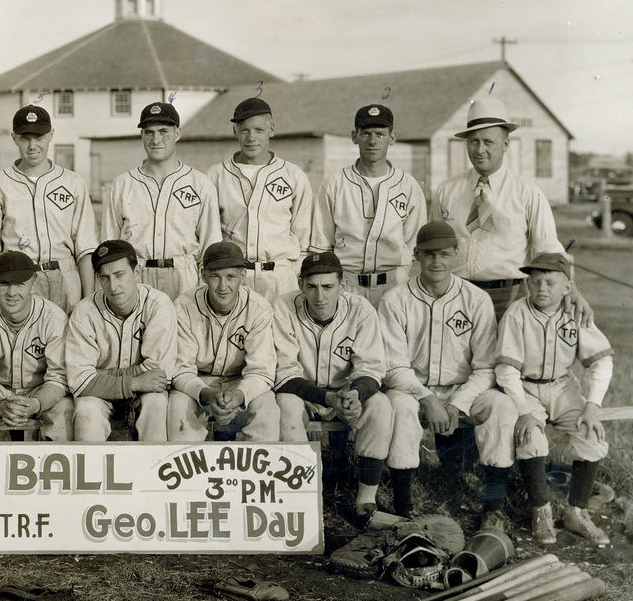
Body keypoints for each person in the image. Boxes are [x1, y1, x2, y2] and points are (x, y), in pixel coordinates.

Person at [379, 221, 517, 526]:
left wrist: (458, 404)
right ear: (416, 255)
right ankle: (403, 507)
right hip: (413, 388)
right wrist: (427, 399)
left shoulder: (476, 299)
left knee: (502, 406)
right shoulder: (395, 299)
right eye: (428, 254)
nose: (436, 262)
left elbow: (484, 367)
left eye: (443, 254)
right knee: (400, 407)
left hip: (461, 388)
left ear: (456, 253)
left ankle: (493, 507)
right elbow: (393, 367)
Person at [430, 97, 590, 323]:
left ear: (505, 144)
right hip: (456, 293)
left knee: (506, 358)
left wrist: (571, 289)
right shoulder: (446, 191)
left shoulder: (527, 193)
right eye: (473, 141)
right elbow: (434, 248)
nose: (480, 149)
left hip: (509, 296)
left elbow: (548, 249)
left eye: (488, 142)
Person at [273, 251, 402, 521]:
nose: (320, 296)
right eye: (312, 287)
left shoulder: (360, 309)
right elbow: (284, 372)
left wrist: (356, 393)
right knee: (285, 406)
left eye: (328, 287)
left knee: (379, 405)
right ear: (301, 285)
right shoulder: (283, 307)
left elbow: (372, 368)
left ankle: (366, 502)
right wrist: (324, 397)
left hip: (347, 392)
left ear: (342, 285)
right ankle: (301, 502)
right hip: (304, 393)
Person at [496, 252, 614, 545]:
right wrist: (523, 410)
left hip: (563, 386)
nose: (542, 289)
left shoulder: (576, 313)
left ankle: (577, 512)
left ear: (566, 287)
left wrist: (591, 405)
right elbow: (506, 369)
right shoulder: (517, 313)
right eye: (535, 282)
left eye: (550, 282)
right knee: (531, 438)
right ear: (527, 285)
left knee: (592, 437)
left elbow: (601, 362)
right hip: (525, 387)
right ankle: (541, 511)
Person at [0, 105, 97, 314]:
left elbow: (85, 248)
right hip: (18, 278)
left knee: (68, 341)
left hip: (65, 275)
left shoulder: (73, 181)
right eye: (25, 138)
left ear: (51, 135)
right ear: (14, 137)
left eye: (39, 137)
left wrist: (88, 300)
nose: (33, 145)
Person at [101, 101, 221, 300]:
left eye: (164, 131)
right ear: (141, 136)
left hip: (185, 275)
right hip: (137, 276)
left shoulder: (200, 183)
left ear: (177, 134)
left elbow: (211, 244)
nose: (156, 139)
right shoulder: (122, 184)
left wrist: (203, 289)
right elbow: (109, 245)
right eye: (149, 132)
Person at [309, 105, 426, 307]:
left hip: (395, 286)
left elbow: (415, 246)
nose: (372, 141)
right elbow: (322, 244)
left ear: (393, 137)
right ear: (355, 136)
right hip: (347, 285)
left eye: (380, 134)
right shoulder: (335, 183)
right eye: (366, 134)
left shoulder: (408, 186)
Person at [65, 240, 177, 441]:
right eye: (105, 278)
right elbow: (80, 381)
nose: (113, 286)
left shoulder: (158, 304)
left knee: (156, 403)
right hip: (101, 396)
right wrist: (133, 382)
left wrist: (99, 375)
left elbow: (160, 374)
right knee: (85, 409)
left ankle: (151, 470)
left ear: (136, 273)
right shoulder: (85, 311)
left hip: (140, 393)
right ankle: (92, 471)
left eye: (119, 275)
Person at [168, 241, 279, 441]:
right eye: (215, 277)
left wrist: (239, 395)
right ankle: (190, 470)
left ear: (243, 276)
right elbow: (181, 370)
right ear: (203, 276)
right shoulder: (183, 306)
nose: (223, 287)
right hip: (198, 382)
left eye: (231, 277)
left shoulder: (258, 309)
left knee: (267, 408)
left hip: (240, 382)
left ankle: (255, 472)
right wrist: (207, 394)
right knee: (178, 408)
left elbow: (261, 371)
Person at [0, 251, 74, 441]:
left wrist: (37, 403)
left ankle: (54, 468)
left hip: (39, 388)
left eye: (20, 284)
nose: (12, 292)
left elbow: (59, 377)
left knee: (65, 410)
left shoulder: (53, 318)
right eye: (4, 284)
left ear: (34, 284)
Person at [208, 97, 313, 299]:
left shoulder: (293, 175)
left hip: (280, 278)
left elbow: (303, 236)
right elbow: (209, 234)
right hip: (233, 276)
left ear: (271, 130)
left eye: (259, 130)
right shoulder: (216, 175)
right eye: (244, 130)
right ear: (234, 131)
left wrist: (294, 275)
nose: (251, 138)